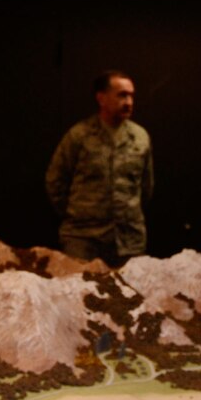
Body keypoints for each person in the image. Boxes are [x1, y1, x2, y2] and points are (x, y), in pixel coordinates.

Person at [45, 69, 153, 267]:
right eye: (122, 95)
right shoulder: (80, 136)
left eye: (131, 95)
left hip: (128, 241)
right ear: (101, 98)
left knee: (131, 294)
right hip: (84, 239)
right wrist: (79, 214)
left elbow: (146, 187)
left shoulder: (140, 137)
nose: (129, 102)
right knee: (80, 293)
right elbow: (55, 180)